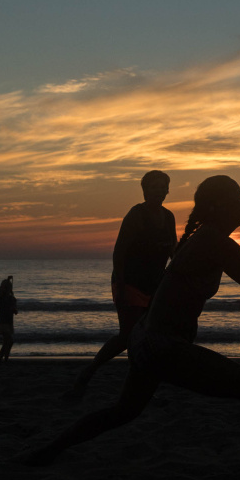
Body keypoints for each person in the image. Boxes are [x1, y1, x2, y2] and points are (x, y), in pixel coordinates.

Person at [22, 175, 240, 466]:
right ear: (218, 205)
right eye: (238, 194)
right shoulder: (213, 243)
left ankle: (47, 452)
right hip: (162, 346)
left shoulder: (201, 239)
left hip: (146, 340)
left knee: (124, 411)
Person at [66, 170, 177, 399]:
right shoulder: (136, 214)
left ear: (168, 190)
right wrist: (122, 285)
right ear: (145, 190)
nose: (158, 190)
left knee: (151, 334)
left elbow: (173, 252)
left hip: (154, 285)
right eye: (153, 186)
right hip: (130, 283)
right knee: (127, 335)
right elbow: (120, 251)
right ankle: (89, 372)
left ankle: (141, 382)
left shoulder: (169, 217)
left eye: (162, 186)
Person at [0, 275, 18, 361]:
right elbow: (1, 291)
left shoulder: (10, 298)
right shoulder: (2, 297)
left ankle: (3, 358)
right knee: (9, 341)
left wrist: (14, 309)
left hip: (9, 322)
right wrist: (7, 280)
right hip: (3, 322)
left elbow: (14, 310)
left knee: (7, 342)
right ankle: (3, 358)